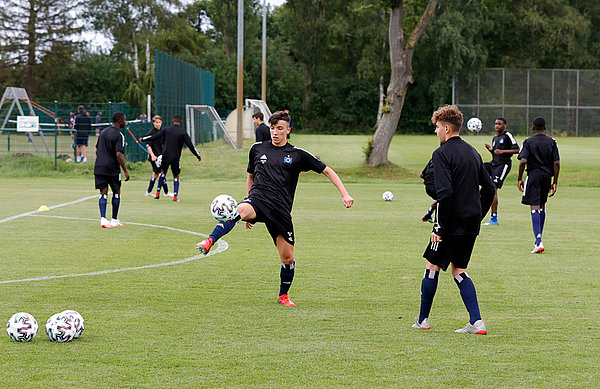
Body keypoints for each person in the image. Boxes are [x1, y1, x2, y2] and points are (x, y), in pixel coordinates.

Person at [195, 111, 354, 307]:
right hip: (258, 199)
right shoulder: (257, 149)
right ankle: (210, 240)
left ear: (288, 130)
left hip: (280, 211)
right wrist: (248, 199)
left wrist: (344, 194)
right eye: (272, 128)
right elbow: (251, 176)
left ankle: (283, 295)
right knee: (238, 212)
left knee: (288, 258)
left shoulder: (297, 154)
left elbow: (327, 171)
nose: (275, 132)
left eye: (279, 128)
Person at [412, 105, 494, 334]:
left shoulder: (441, 154)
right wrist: (478, 215)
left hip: (450, 222)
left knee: (432, 266)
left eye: (437, 128)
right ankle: (476, 322)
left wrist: (438, 226)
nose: (436, 132)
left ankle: (423, 320)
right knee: (459, 269)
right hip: (470, 222)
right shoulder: (473, 153)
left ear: (447, 128)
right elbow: (488, 188)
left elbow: (444, 193)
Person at [517, 116, 560, 254]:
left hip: (534, 175)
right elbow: (556, 163)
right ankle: (539, 238)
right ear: (545, 127)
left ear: (533, 127)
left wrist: (519, 178)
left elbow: (523, 161)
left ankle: (538, 241)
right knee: (542, 205)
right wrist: (555, 182)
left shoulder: (528, 141)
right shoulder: (552, 141)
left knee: (534, 206)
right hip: (547, 176)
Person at [139, 115, 201, 202]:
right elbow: (191, 146)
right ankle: (175, 197)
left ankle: (157, 193)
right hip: (175, 157)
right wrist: (197, 155)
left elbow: (154, 136)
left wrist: (143, 139)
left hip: (165, 156)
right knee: (176, 176)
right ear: (180, 122)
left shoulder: (166, 130)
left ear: (173, 121)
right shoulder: (183, 132)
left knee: (163, 173)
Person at [94, 111, 130, 228]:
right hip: (112, 168)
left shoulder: (103, 132)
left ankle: (103, 219)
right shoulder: (119, 135)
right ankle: (114, 219)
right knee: (116, 192)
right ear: (120, 121)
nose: (125, 122)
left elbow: (97, 150)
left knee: (103, 193)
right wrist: (125, 170)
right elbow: (119, 154)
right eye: (124, 119)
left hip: (99, 167)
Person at [482, 118, 520, 225]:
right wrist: (491, 151)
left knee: (493, 187)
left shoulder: (508, 135)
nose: (497, 126)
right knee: (478, 168)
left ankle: (494, 219)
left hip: (503, 165)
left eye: (499, 124)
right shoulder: (495, 138)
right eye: (495, 124)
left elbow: (517, 150)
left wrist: (502, 151)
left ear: (505, 126)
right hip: (493, 164)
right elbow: (496, 154)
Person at [143, 115, 173, 198]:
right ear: (153, 123)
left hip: (161, 157)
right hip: (155, 158)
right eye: (156, 122)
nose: (158, 124)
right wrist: (152, 155)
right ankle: (166, 192)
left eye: (159, 122)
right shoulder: (151, 133)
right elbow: (148, 146)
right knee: (161, 173)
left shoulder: (162, 132)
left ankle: (149, 191)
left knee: (156, 174)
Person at [420, 159, 437, 223]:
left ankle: (428, 215)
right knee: (445, 199)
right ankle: (437, 221)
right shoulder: (446, 160)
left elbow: (422, 175)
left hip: (428, 187)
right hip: (435, 186)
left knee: (440, 200)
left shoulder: (432, 160)